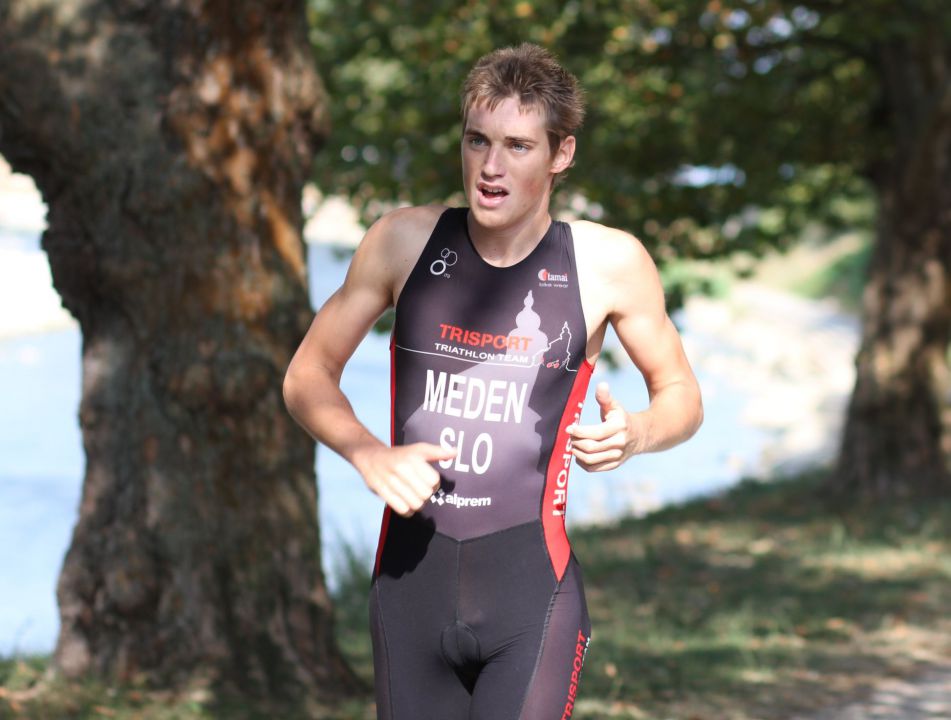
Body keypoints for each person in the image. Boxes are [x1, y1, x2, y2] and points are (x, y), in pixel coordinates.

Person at [283, 42, 703, 720]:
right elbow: (307, 373)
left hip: (529, 594)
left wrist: (638, 432)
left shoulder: (606, 263)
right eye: (476, 140)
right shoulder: (403, 242)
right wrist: (366, 452)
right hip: (408, 590)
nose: (490, 166)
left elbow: (682, 396)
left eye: (517, 145)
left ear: (560, 154)